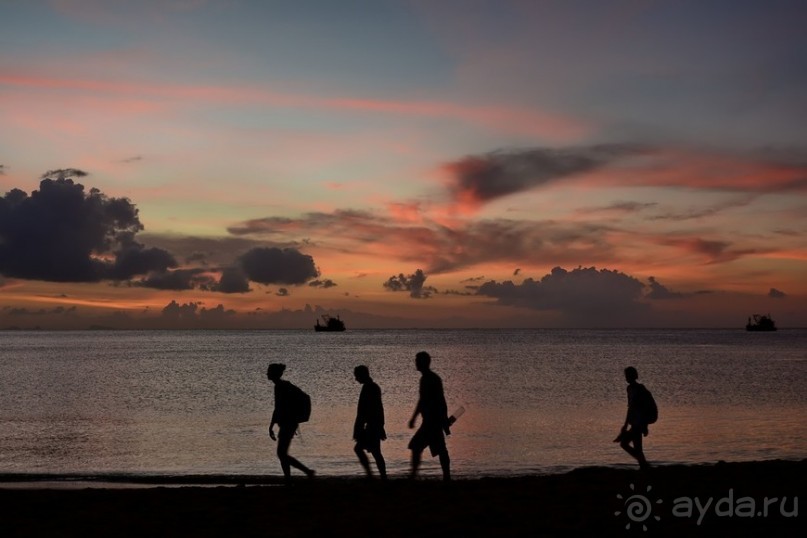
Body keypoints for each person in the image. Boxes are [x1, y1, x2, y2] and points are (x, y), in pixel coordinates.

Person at [267, 363, 315, 484]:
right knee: (282, 453)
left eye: (269, 372)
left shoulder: (282, 386)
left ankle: (306, 472)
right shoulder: (280, 386)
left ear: (274, 374)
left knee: (281, 453)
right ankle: (289, 478)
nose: (267, 374)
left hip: (289, 423)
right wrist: (271, 425)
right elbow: (277, 408)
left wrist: (272, 426)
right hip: (287, 423)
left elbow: (278, 407)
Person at [407, 351, 451, 481]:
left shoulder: (428, 379)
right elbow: (428, 400)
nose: (415, 363)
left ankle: (414, 475)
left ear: (423, 362)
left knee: (417, 446)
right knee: (440, 449)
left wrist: (414, 418)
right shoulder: (429, 378)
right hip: (431, 421)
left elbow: (437, 400)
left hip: (432, 421)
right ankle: (446, 477)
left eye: (417, 360)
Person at [353, 365, 387, 480]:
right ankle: (381, 476)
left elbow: (366, 411)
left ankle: (372, 475)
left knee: (364, 450)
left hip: (372, 426)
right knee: (376, 452)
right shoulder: (372, 387)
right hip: (374, 425)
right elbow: (378, 408)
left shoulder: (369, 388)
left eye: (357, 376)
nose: (356, 379)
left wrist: (359, 428)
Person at [614, 366, 651, 471]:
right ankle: (644, 465)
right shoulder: (629, 388)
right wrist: (626, 424)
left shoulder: (639, 389)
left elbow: (643, 408)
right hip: (635, 422)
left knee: (625, 444)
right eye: (626, 375)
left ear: (633, 376)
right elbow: (630, 408)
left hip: (638, 423)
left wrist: (645, 425)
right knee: (635, 447)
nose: (626, 377)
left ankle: (644, 465)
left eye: (628, 375)